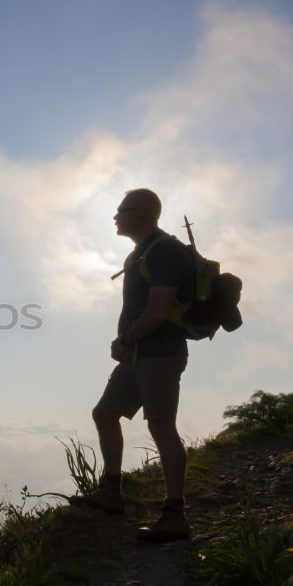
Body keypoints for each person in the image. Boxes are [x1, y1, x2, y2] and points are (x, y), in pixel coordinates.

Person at [69, 188, 195, 543]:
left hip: (161, 353)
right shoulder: (139, 253)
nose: (115, 216)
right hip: (138, 353)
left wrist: (125, 340)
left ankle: (175, 515)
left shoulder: (165, 252)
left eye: (120, 210)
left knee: (161, 426)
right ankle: (111, 492)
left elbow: (157, 312)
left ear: (139, 214)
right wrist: (123, 341)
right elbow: (135, 308)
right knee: (105, 413)